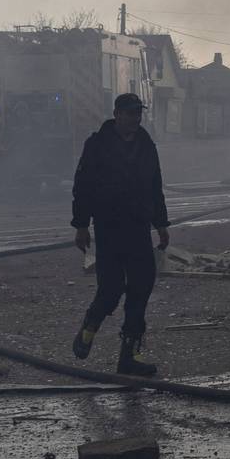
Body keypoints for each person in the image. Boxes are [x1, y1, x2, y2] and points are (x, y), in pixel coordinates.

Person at [70, 93, 170, 376]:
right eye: (129, 113)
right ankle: (88, 330)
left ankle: (128, 357)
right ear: (116, 114)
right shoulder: (98, 145)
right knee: (111, 290)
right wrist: (81, 225)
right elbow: (83, 186)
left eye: (138, 113)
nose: (135, 119)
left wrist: (161, 224)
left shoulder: (146, 145)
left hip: (138, 228)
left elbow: (155, 186)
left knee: (141, 289)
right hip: (109, 228)